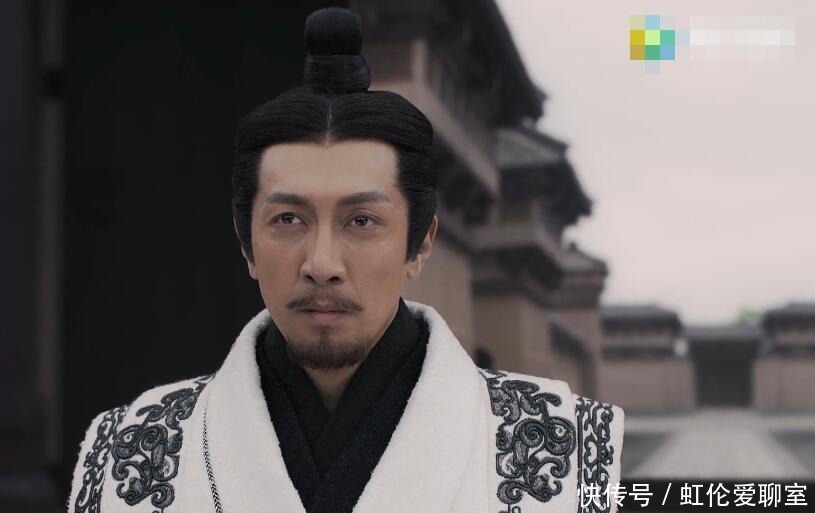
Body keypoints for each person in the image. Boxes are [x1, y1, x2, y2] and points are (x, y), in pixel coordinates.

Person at [67, 7, 624, 513]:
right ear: (245, 243)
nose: (322, 263)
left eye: (362, 221)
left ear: (420, 243)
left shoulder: (563, 446)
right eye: (289, 220)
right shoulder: (133, 451)